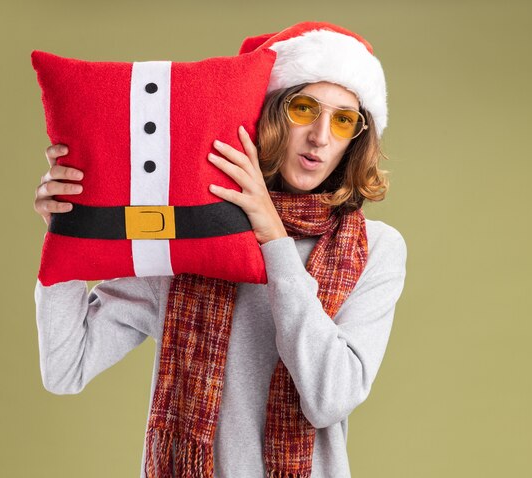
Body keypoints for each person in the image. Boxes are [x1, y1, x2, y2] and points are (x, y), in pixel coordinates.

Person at [33, 22, 407, 478]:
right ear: (269, 113)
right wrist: (70, 228)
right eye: (304, 108)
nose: (320, 137)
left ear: (357, 138)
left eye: (343, 119)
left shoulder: (375, 248)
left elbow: (330, 397)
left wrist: (274, 241)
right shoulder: (191, 233)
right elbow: (64, 369)